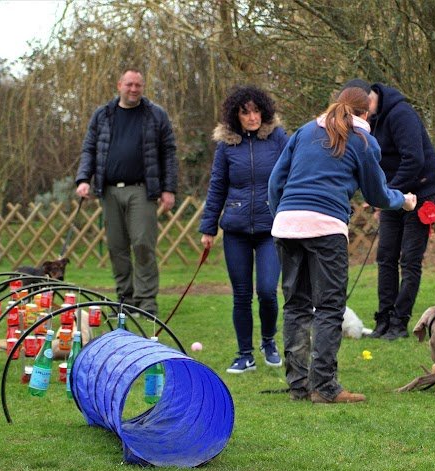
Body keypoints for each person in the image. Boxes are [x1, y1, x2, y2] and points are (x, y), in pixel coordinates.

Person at [268, 87, 417, 403]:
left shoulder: (305, 131)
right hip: (325, 228)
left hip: (286, 225)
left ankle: (298, 385)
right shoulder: (362, 140)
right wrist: (402, 201)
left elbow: (275, 182)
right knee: (328, 306)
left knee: (296, 305)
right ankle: (323, 386)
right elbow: (376, 194)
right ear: (366, 114)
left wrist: (281, 215)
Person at [342, 79, 435, 340]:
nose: (362, 113)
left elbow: (414, 159)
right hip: (394, 195)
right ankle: (384, 319)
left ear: (372, 96)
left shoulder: (402, 114)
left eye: (365, 106)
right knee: (385, 257)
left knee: (409, 260)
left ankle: (400, 322)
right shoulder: (370, 122)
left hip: (423, 192)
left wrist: (386, 193)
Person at [199, 85, 288, 374]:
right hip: (235, 229)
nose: (251, 117)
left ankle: (268, 342)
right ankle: (244, 354)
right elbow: (217, 187)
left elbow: (292, 175)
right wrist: (208, 227)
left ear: (264, 111)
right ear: (235, 116)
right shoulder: (226, 145)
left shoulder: (278, 139)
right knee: (241, 294)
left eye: (256, 111)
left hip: (269, 229)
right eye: (244, 112)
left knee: (266, 290)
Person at [75, 68, 177, 317]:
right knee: (117, 247)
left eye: (138, 85)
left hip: (142, 191)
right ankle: (125, 301)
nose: (134, 89)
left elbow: (169, 152)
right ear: (119, 85)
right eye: (129, 84)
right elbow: (89, 149)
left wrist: (169, 189)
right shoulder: (103, 115)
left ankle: (146, 302)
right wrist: (83, 179)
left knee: (143, 244)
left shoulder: (155, 115)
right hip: (109, 191)